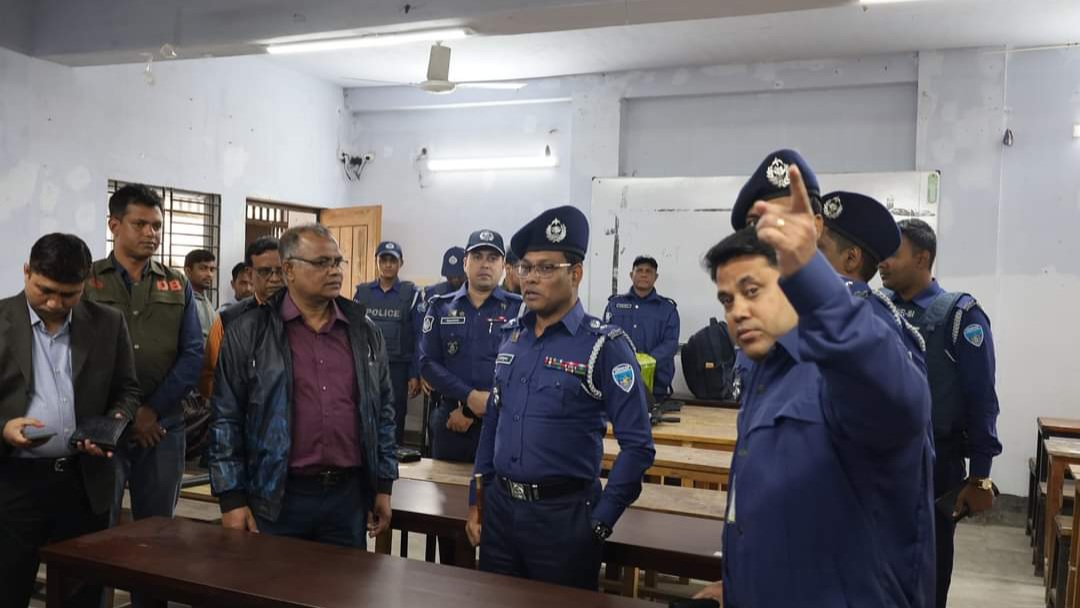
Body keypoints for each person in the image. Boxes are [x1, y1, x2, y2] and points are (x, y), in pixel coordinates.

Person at [694, 161, 933, 607]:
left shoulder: (861, 339)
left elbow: (898, 403)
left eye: (753, 290)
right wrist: (742, 585)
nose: (738, 311)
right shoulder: (765, 360)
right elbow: (778, 506)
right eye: (728, 300)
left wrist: (810, 277)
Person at [465, 206, 656, 591]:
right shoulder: (512, 338)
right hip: (501, 513)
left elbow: (638, 446)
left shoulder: (604, 346)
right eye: (525, 268)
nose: (531, 278)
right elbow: (494, 422)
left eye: (547, 268)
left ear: (576, 273)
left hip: (564, 519)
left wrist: (600, 521)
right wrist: (478, 501)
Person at [209, 224, 397, 548]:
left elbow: (384, 412)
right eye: (322, 263)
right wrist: (231, 498)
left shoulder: (363, 331)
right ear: (289, 270)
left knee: (344, 582)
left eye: (337, 262)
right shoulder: (250, 331)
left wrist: (383, 485)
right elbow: (226, 417)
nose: (334, 271)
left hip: (347, 499)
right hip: (276, 496)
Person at [1, 233, 141, 608]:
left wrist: (112, 424)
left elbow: (127, 390)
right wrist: (3, 429)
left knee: (82, 594)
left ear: (86, 284)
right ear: (27, 272)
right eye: (45, 290)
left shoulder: (108, 323)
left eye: (68, 295)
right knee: (7, 589)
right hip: (13, 483)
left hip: (83, 483)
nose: (54, 303)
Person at [879, 218, 1003, 608]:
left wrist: (980, 476)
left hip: (935, 468)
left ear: (922, 258)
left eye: (892, 253)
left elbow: (981, 399)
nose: (882, 261)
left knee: (927, 575)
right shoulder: (877, 310)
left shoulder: (961, 317)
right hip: (876, 463)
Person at [83, 185, 203, 544]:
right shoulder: (88, 281)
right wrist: (127, 413)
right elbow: (74, 353)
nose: (151, 233)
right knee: (97, 531)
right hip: (103, 425)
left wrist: (152, 410)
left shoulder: (176, 283)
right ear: (114, 225)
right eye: (140, 224)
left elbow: (192, 353)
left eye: (157, 225)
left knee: (157, 535)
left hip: (162, 427)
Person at [420, 229, 522, 463]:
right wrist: (469, 397)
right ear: (465, 263)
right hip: (451, 420)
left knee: (498, 485)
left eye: (492, 258)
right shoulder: (440, 307)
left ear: (503, 266)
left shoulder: (520, 310)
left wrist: (473, 408)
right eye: (477, 257)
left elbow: (523, 368)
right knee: (445, 485)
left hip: (502, 421)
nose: (484, 264)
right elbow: (427, 363)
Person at [816, 191, 927, 366]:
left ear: (851, 258)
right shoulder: (884, 318)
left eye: (818, 249)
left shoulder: (834, 319)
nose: (807, 257)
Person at [353, 241, 421, 445]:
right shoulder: (363, 293)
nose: (388, 264)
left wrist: (414, 374)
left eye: (393, 260)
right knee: (365, 410)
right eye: (383, 260)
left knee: (395, 413)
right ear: (376, 262)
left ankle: (393, 454)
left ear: (401, 263)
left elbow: (419, 336)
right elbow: (353, 332)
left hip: (398, 368)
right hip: (368, 366)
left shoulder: (411, 294)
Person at [199, 237, 283, 400]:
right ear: (250, 274)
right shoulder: (227, 320)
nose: (274, 279)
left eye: (280, 271)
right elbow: (208, 376)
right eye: (265, 271)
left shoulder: (304, 315)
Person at [603, 255, 680, 399]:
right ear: (631, 275)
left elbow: (670, 344)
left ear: (655, 277)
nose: (644, 274)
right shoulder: (615, 305)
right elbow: (606, 338)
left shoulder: (667, 309)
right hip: (620, 381)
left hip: (656, 387)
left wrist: (645, 363)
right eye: (639, 270)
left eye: (649, 271)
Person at [184, 249, 217, 341]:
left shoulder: (206, 301)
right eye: (203, 268)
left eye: (211, 269)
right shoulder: (183, 301)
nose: (209, 274)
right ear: (188, 271)